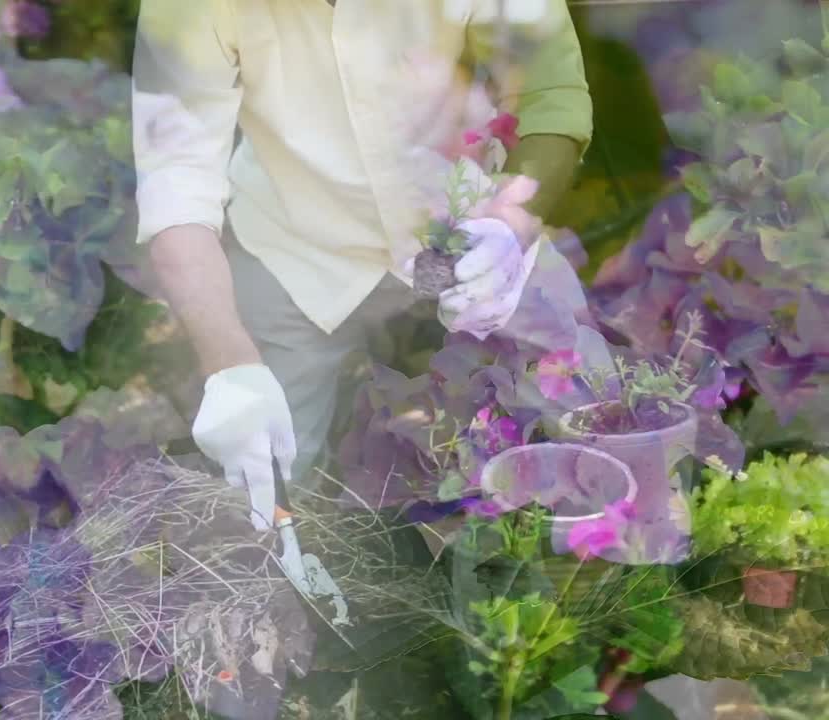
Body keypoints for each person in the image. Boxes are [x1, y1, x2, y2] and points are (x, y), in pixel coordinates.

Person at [133, 0, 593, 531]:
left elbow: (547, 94)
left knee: (592, 418)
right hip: (293, 249)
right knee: (257, 500)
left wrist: (510, 225)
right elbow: (176, 185)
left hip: (469, 232)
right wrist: (229, 368)